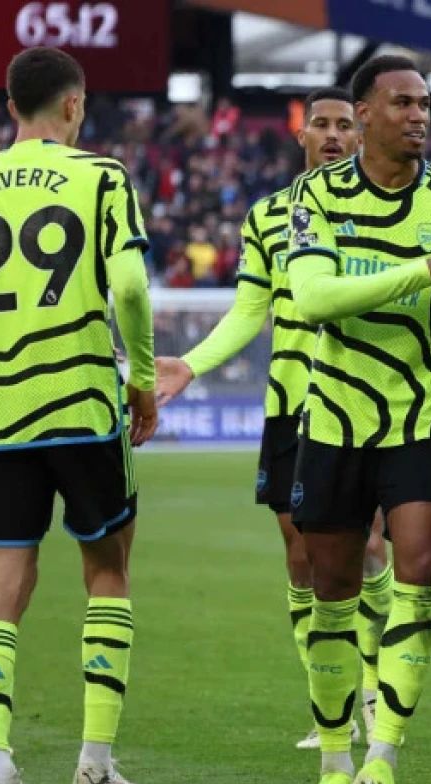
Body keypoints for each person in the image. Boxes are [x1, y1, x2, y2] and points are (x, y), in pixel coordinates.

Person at [0, 47, 157, 784]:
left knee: (0, 585)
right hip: (83, 407)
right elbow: (127, 283)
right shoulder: (100, 176)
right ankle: (95, 763)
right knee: (108, 573)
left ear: (8, 104)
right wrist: (145, 380)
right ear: (73, 105)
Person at [284, 54, 431, 784]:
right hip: (333, 422)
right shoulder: (314, 198)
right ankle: (333, 759)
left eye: (424, 103)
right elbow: (315, 300)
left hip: (417, 417)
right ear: (366, 114)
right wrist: (426, 270)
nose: (418, 114)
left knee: (419, 574)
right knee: (333, 595)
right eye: (403, 102)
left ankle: (382, 756)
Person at [153, 86, 394, 749]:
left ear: (363, 131)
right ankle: (333, 706)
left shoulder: (385, 204)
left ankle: (375, 691)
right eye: (321, 124)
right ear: (302, 135)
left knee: (367, 548)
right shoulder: (269, 216)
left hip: (363, 402)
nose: (334, 135)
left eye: (346, 124)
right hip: (292, 407)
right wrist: (193, 365)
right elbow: (248, 311)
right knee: (300, 561)